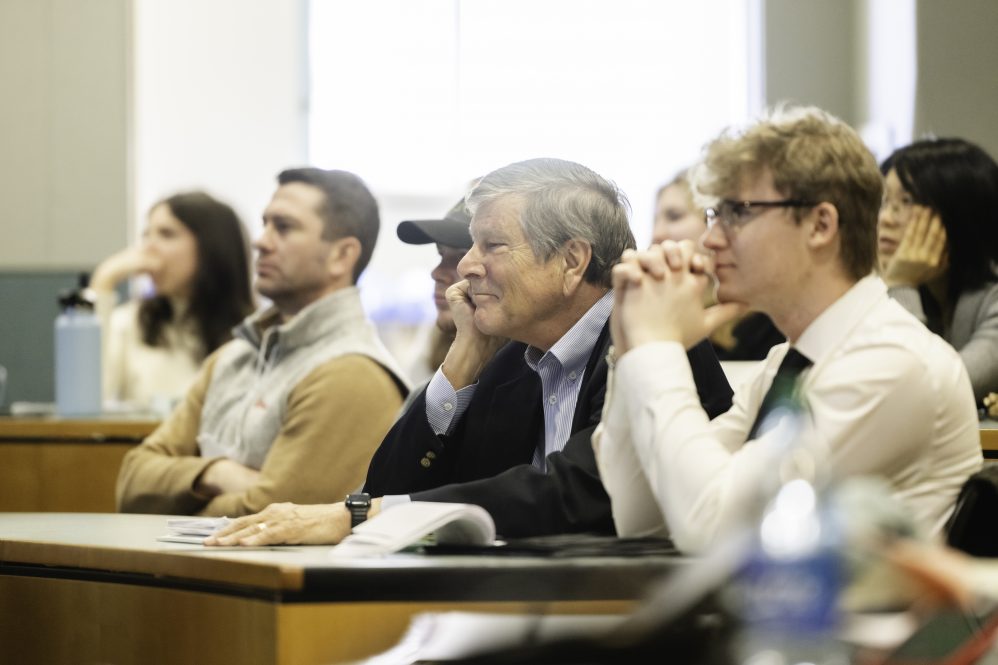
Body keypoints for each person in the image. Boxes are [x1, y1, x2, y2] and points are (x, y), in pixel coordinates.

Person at [206, 157, 732, 547]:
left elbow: (583, 492)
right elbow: (390, 486)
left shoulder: (656, 340)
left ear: (572, 261)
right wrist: (462, 360)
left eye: (491, 246)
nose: (465, 268)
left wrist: (359, 516)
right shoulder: (512, 362)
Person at [595, 106, 983, 554]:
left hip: (852, 622)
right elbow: (641, 518)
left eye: (738, 212)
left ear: (820, 225)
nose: (712, 239)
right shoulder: (791, 358)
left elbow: (713, 530)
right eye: (714, 215)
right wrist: (631, 352)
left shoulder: (893, 361)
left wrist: (656, 350)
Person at [116, 168, 410, 517]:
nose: (261, 241)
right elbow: (131, 482)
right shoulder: (233, 357)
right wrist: (215, 473)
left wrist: (177, 494)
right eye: (265, 223)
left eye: (284, 227)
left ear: (341, 256)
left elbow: (270, 519)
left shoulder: (353, 374)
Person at [90, 191, 254, 412]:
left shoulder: (254, 334)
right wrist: (103, 282)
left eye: (166, 234)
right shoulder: (129, 322)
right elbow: (87, 401)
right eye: (146, 235)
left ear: (211, 245)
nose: (148, 248)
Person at [878, 138, 998, 403]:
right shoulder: (910, 287)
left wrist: (901, 284)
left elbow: (929, 390)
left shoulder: (992, 300)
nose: (885, 218)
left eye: (906, 201)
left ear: (959, 213)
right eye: (885, 201)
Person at [653, 170, 783, 362]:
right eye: (655, 220)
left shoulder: (767, 325)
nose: (657, 233)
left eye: (674, 217)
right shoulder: (661, 306)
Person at [395, 198, 475, 392]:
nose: (436, 273)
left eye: (463, 256)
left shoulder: (534, 375)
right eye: (441, 254)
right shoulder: (430, 351)